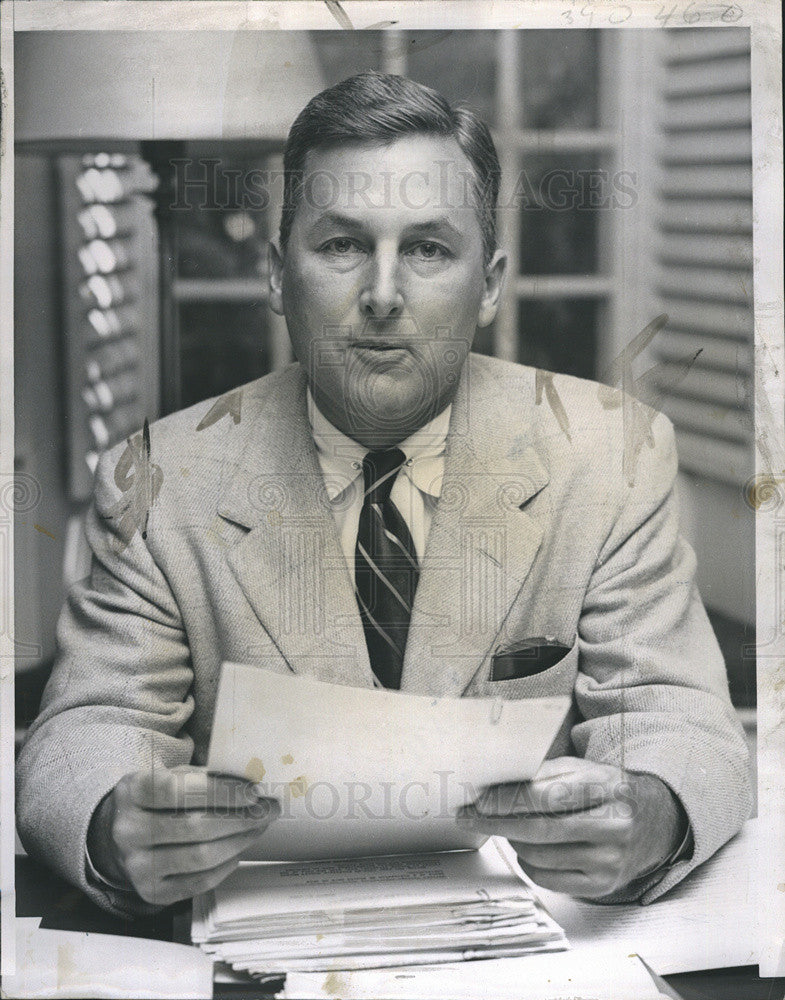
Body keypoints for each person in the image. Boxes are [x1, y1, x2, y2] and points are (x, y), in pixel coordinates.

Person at [16, 72, 751, 918]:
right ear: (275, 275)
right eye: (341, 245)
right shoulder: (159, 480)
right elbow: (83, 729)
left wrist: (650, 813)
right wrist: (114, 825)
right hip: (269, 936)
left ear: (490, 284)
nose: (382, 295)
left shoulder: (609, 456)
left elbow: (681, 720)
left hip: (534, 944)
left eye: (428, 249)